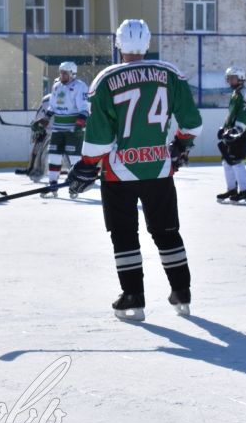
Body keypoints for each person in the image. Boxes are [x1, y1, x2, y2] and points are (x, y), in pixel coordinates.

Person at [68, 19, 203, 321]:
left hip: (119, 174)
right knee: (168, 233)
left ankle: (133, 298)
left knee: (125, 235)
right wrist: (180, 145)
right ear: (147, 42)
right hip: (158, 168)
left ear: (118, 44)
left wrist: (87, 166)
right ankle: (181, 292)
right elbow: (192, 124)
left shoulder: (105, 79)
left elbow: (99, 135)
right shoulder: (171, 74)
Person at [41, 61, 89, 198]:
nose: (62, 75)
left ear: (72, 73)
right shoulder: (56, 86)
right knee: (54, 156)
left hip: (73, 129)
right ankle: (53, 185)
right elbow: (52, 107)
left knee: (75, 159)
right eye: (61, 72)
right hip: (58, 128)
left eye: (65, 73)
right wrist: (45, 119)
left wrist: (80, 123)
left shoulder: (80, 87)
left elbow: (84, 108)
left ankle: (75, 186)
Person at [216, 65, 246, 203]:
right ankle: (232, 189)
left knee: (236, 162)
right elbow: (232, 113)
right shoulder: (236, 93)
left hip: (240, 132)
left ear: (241, 78)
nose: (229, 81)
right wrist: (225, 128)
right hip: (232, 131)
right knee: (227, 162)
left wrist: (237, 129)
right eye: (228, 78)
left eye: (232, 78)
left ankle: (245, 192)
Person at [20, 92, 52, 182]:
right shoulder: (49, 98)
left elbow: (40, 114)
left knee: (42, 152)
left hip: (54, 130)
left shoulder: (48, 98)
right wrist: (37, 124)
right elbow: (41, 114)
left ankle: (36, 171)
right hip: (49, 130)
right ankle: (34, 170)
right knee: (39, 151)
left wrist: (37, 123)